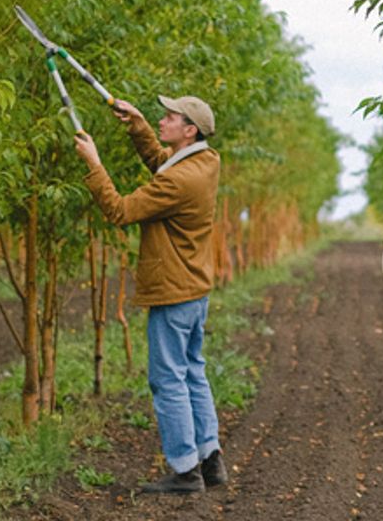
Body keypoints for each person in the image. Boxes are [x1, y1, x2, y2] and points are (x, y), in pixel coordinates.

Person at [73, 95, 228, 494]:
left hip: (174, 292)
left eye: (169, 118)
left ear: (189, 130)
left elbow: (121, 210)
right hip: (195, 288)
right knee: (193, 370)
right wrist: (138, 125)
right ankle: (210, 461)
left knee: (167, 379)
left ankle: (184, 470)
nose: (163, 121)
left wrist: (94, 164)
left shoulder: (179, 181)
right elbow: (165, 163)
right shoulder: (204, 162)